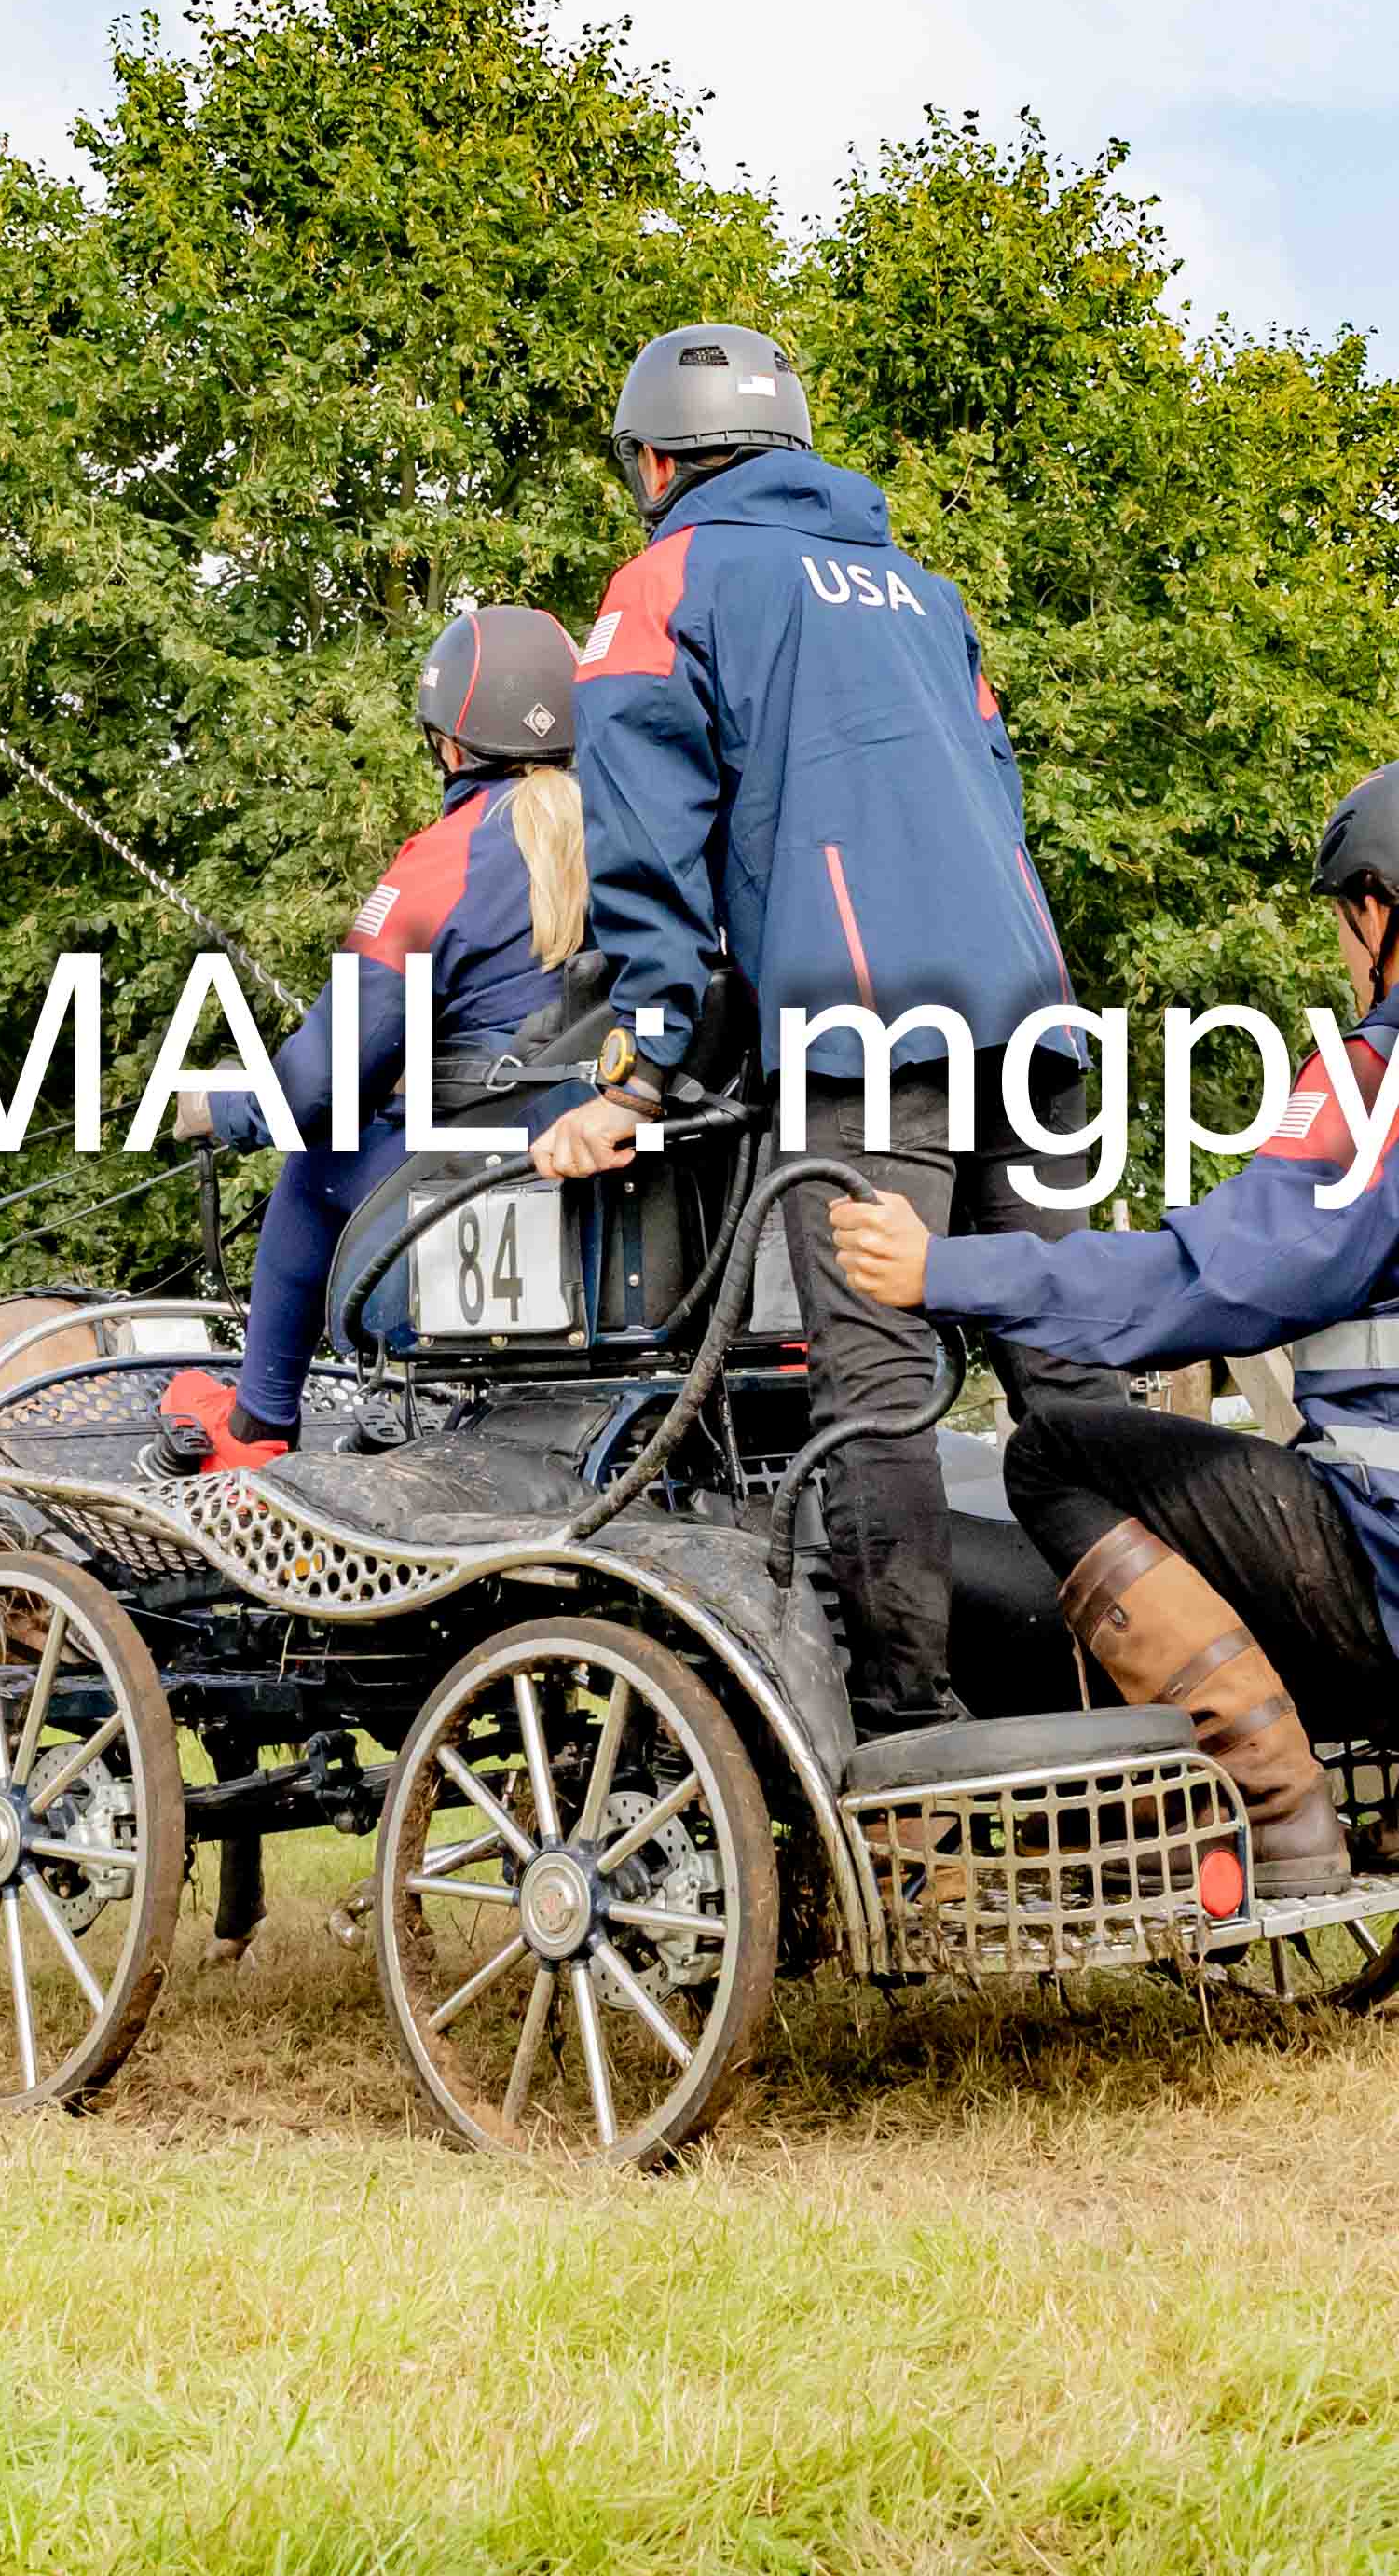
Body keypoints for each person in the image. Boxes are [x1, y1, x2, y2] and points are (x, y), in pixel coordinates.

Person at [821, 752, 1399, 1897]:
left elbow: (1203, 1283)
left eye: (1343, 921)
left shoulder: (1386, 1078)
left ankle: (1271, 1803)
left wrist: (943, 1267)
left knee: (1057, 1453)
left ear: (1375, 908)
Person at [528, 322, 1103, 1743]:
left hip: (861, 1026)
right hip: (1025, 1011)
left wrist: (643, 1066)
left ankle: (910, 1721)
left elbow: (644, 840)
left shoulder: (670, 579)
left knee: (873, 1379)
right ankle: (1181, 1679)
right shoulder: (921, 590)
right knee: (1070, 1363)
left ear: (654, 462)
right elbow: (993, 792)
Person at [176, 606, 590, 1463]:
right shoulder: (640, 838)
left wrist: (221, 1106)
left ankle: (257, 1424)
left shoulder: (446, 860)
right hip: (603, 1180)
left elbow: (317, 1088)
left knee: (317, 1162)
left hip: (485, 1189)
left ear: (448, 746)